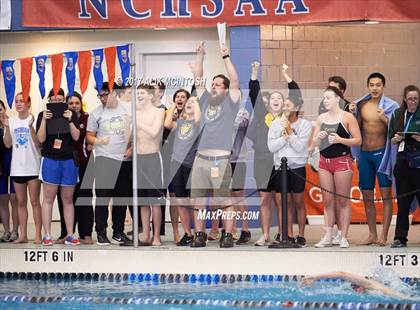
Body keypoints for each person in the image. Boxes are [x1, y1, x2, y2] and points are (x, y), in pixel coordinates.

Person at [188, 41, 241, 248]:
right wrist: (200, 55)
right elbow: (198, 80)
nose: (214, 87)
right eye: (213, 84)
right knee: (198, 201)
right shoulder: (204, 101)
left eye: (218, 84)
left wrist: (225, 57)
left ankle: (227, 235)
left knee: (224, 200)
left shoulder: (231, 101)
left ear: (227, 90)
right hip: (201, 158)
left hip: (220, 159)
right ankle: (199, 234)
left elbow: (235, 80)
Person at [350, 73, 399, 246]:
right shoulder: (360, 104)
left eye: (378, 85)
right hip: (365, 155)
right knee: (367, 196)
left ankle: (384, 235)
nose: (375, 88)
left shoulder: (392, 106)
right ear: (368, 86)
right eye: (372, 85)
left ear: (383, 86)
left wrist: (385, 119)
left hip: (382, 156)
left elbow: (397, 131)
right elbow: (354, 128)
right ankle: (372, 234)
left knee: (386, 197)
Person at [267, 64, 312, 247]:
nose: (285, 107)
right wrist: (285, 139)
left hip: (297, 167)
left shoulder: (305, 125)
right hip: (280, 168)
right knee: (282, 202)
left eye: (288, 105)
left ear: (297, 107)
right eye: (284, 104)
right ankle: (287, 233)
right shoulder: (276, 124)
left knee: (298, 201)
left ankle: (301, 234)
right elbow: (271, 147)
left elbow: (301, 148)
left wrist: (290, 135)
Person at [312, 87, 361, 248]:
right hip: (324, 162)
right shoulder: (321, 118)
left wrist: (341, 140)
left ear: (337, 99)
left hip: (342, 161)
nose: (325, 100)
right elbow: (314, 144)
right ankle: (327, 235)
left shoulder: (347, 117)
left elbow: (358, 140)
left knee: (342, 200)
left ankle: (343, 236)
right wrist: (318, 139)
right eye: (324, 98)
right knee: (327, 200)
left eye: (328, 98)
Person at [86, 82, 131, 246]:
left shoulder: (127, 109)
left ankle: (118, 232)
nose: (102, 98)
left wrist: (131, 149)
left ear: (114, 93)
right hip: (105, 159)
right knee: (103, 198)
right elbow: (89, 135)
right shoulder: (96, 113)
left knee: (121, 198)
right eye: (100, 95)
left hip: (124, 160)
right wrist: (98, 140)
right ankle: (101, 232)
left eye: (105, 94)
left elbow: (136, 132)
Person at [36, 88, 80, 246]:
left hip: (68, 160)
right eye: (53, 100)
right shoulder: (43, 115)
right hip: (50, 160)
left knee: (67, 199)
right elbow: (40, 139)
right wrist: (44, 121)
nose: (56, 102)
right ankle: (47, 235)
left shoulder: (71, 114)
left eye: (59, 100)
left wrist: (69, 120)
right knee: (48, 199)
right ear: (49, 100)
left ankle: (70, 234)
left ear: (64, 100)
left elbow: (76, 137)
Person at [247, 61, 284, 246]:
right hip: (262, 161)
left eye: (279, 98)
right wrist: (254, 72)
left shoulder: (286, 119)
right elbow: (254, 93)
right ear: (268, 102)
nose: (275, 100)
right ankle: (265, 234)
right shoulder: (262, 115)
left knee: (279, 199)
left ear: (283, 103)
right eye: (272, 98)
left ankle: (282, 233)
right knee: (265, 200)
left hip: (280, 163)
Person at [2, 93, 42, 244]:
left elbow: (39, 142)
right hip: (17, 168)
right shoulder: (11, 121)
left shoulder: (35, 119)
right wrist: (6, 128)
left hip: (33, 167)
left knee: (35, 201)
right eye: (17, 101)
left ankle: (38, 234)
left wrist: (30, 126)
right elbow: (7, 144)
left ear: (28, 104)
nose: (19, 104)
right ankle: (23, 235)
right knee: (20, 202)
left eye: (22, 101)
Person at [56, 92, 94, 244]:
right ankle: (66, 233)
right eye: (71, 103)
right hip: (65, 163)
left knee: (84, 197)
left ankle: (86, 234)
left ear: (81, 104)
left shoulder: (87, 118)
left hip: (84, 163)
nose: (74, 106)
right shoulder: (61, 118)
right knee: (64, 199)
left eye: (76, 103)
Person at [164, 96, 200, 246]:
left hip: (191, 165)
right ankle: (187, 233)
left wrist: (195, 102)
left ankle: (198, 233)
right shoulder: (180, 122)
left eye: (193, 103)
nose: (189, 104)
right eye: (188, 103)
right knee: (181, 201)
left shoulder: (198, 123)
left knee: (194, 202)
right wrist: (174, 105)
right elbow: (166, 123)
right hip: (176, 165)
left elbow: (198, 119)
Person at [388, 85, 420, 248]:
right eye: (409, 99)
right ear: (404, 99)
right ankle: (400, 237)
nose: (412, 102)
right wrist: (394, 139)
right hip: (402, 163)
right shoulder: (398, 114)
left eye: (415, 98)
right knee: (403, 202)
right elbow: (391, 136)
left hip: (418, 162)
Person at [136, 83, 165, 246]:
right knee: (143, 201)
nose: (139, 96)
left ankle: (156, 237)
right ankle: (145, 235)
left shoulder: (159, 112)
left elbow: (154, 132)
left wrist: (137, 120)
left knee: (155, 201)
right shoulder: (136, 113)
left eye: (141, 93)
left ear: (150, 95)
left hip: (153, 158)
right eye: (137, 93)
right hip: (138, 160)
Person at [164, 89, 191, 244]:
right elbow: (166, 125)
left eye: (183, 97)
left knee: (189, 198)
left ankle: (192, 231)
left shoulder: (191, 117)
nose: (180, 99)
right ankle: (176, 231)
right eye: (177, 97)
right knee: (174, 197)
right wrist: (173, 108)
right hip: (171, 160)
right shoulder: (169, 114)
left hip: (188, 161)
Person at [300, 271, 416, 300]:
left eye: (356, 287)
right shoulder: (371, 288)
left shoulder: (370, 285)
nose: (357, 291)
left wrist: (315, 277)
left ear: (361, 285)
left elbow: (342, 274)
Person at [0, 100, 19, 242]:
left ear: (4, 109)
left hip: (13, 165)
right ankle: (6, 230)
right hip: (1, 169)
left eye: (0, 109)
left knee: (15, 200)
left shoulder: (12, 123)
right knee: (2, 200)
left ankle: (15, 231)